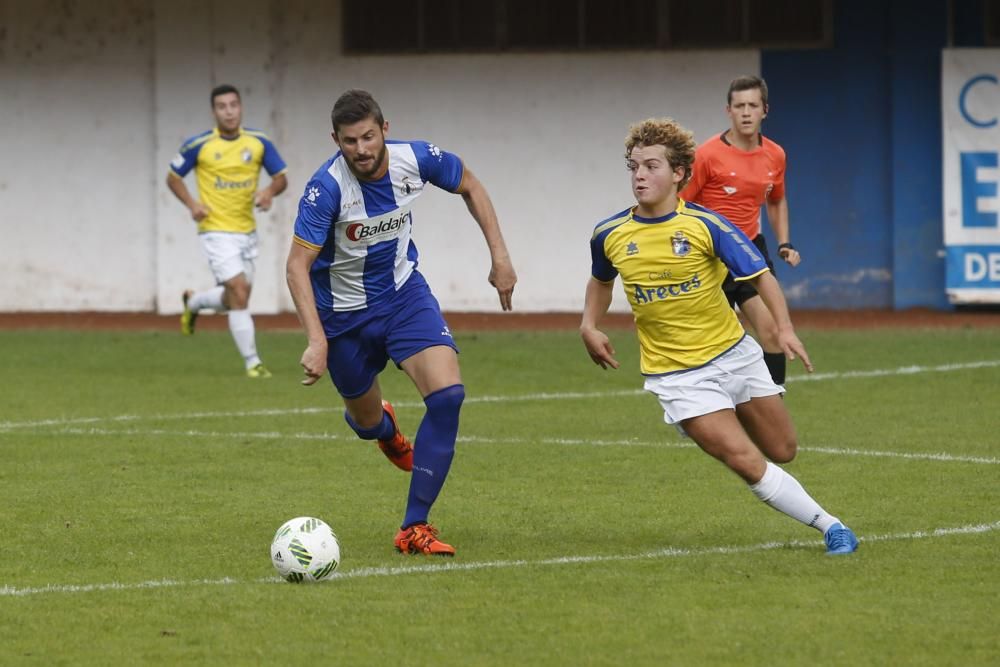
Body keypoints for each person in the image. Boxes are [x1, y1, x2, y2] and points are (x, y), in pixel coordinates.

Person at [580, 117, 857, 555]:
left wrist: (783, 328)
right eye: (634, 166)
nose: (639, 176)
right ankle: (832, 527)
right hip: (677, 376)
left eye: (652, 166)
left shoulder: (708, 226)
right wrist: (589, 324)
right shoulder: (610, 233)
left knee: (783, 449)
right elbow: (601, 279)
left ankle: (716, 415)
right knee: (746, 460)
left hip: (735, 356)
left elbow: (762, 277)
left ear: (679, 174)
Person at [286, 89, 517, 557]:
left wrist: (500, 257)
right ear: (336, 140)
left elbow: (470, 184)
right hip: (342, 318)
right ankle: (386, 431)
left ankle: (415, 526)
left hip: (402, 296)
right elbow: (296, 266)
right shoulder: (326, 189)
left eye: (369, 136)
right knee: (365, 421)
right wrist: (316, 340)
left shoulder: (416, 159)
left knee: (448, 396)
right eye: (350, 141)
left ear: (384, 129)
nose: (362, 149)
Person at [679, 75, 798, 385]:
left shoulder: (775, 155)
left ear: (765, 110)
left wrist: (784, 242)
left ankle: (774, 403)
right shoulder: (706, 155)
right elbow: (679, 206)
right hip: (708, 255)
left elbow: (776, 200)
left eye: (753, 105)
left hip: (749, 250)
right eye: (739, 105)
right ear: (728, 110)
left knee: (771, 330)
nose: (746, 112)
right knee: (722, 339)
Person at [167, 84, 288, 378]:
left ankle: (194, 302)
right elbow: (173, 177)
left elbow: (281, 177)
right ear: (214, 111)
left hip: (247, 231)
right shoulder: (200, 145)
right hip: (215, 229)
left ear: (241, 107)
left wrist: (269, 192)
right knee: (238, 290)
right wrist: (192, 204)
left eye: (233, 105)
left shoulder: (259, 142)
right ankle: (253, 363)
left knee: (237, 298)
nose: (229, 111)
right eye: (222, 106)